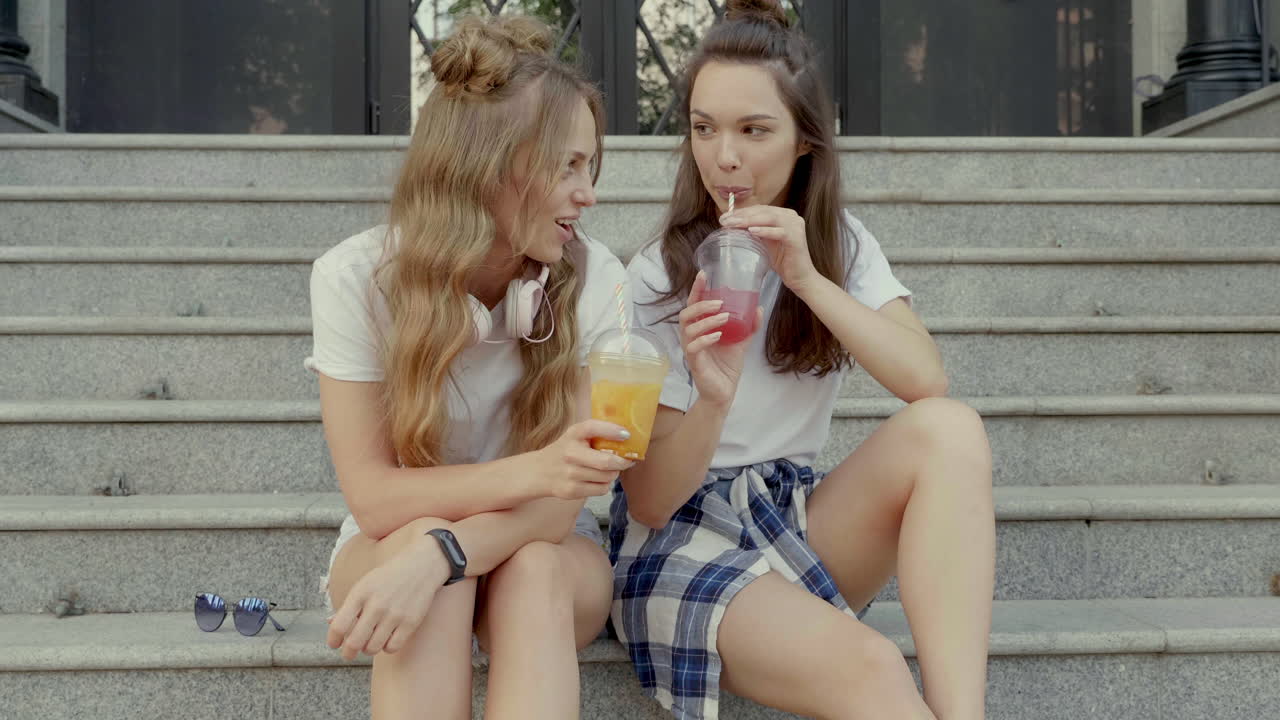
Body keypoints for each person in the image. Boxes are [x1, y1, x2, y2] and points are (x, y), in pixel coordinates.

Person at [609, 2, 995, 719]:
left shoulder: (839, 245)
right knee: (874, 666)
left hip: (789, 515)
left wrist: (807, 278)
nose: (724, 155)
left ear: (805, 142)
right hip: (678, 540)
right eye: (704, 128)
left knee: (950, 429)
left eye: (754, 130)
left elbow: (925, 381)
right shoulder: (658, 276)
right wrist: (712, 395)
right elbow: (649, 501)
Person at [307, 15, 632, 720]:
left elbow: (558, 504)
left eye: (590, 166)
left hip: (541, 544)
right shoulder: (355, 277)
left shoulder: (596, 275)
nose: (590, 193)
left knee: (525, 567)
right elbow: (373, 498)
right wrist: (520, 480)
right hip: (390, 542)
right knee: (419, 549)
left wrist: (445, 552)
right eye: (567, 166)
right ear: (492, 165)